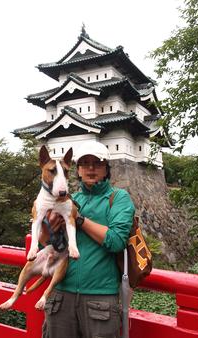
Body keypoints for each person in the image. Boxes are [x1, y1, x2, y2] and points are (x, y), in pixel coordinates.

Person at [39, 140, 135, 338]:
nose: (91, 168)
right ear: (78, 170)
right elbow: (48, 244)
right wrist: (46, 228)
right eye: (85, 163)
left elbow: (116, 241)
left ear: (107, 169)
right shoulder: (68, 199)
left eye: (97, 163)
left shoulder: (118, 198)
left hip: (100, 298)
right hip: (61, 294)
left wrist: (80, 220)